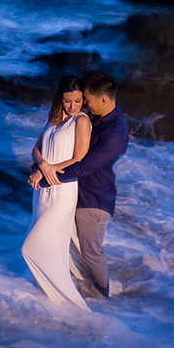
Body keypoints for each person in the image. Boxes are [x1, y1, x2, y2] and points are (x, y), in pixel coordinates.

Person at [49, 70, 128, 299]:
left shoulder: (114, 134)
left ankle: (105, 295)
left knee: (91, 250)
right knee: (73, 244)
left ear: (103, 99)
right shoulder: (100, 116)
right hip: (78, 192)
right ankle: (81, 286)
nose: (85, 104)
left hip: (94, 200)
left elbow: (84, 166)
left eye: (87, 100)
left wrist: (47, 177)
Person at [21, 75, 93, 311]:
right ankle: (47, 300)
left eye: (78, 101)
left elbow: (79, 158)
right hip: (43, 191)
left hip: (62, 190)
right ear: (60, 99)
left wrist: (49, 169)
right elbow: (36, 148)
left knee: (30, 246)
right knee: (53, 245)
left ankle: (69, 301)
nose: (73, 106)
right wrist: (43, 166)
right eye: (67, 101)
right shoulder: (53, 118)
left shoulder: (81, 121)